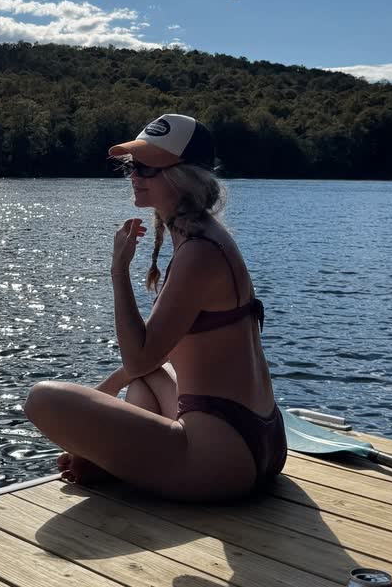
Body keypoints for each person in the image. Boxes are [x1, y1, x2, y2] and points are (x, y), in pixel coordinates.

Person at [24, 114, 287, 501]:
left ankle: (115, 462)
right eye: (133, 165)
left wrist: (118, 270)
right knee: (146, 378)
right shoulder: (205, 236)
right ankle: (117, 461)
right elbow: (150, 360)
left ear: (184, 176)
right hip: (261, 440)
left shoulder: (198, 252)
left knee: (42, 399)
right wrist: (106, 390)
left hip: (221, 460)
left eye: (147, 167)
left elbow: (138, 354)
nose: (134, 175)